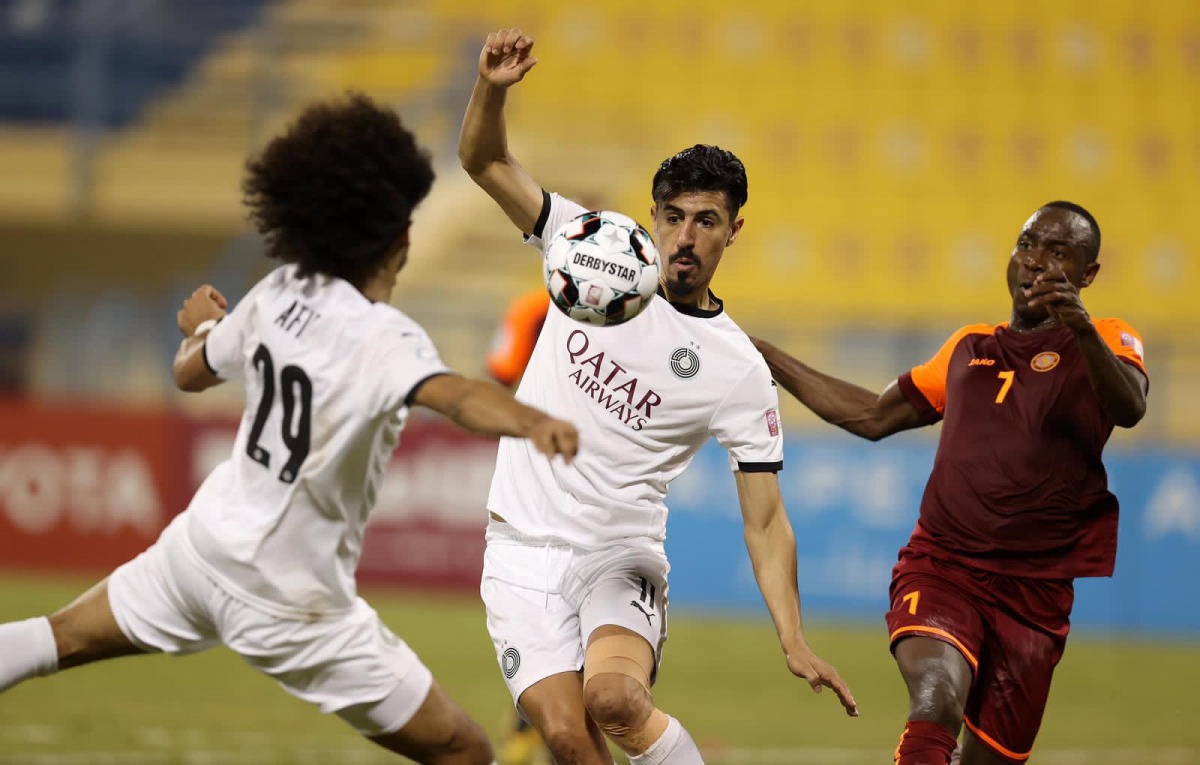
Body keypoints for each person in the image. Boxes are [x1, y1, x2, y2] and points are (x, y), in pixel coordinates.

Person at [0, 93, 581, 765]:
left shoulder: (280, 291)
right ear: (401, 241)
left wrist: (204, 327)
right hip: (290, 597)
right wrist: (530, 419)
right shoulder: (383, 335)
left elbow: (190, 372)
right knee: (463, 749)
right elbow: (452, 395)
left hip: (199, 552)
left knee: (56, 637)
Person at [459, 27, 858, 765]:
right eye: (672, 216)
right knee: (568, 740)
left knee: (612, 700)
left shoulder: (736, 366)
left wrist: (793, 636)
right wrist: (491, 88)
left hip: (619, 552)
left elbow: (766, 522)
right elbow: (484, 160)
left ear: (734, 230)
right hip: (518, 542)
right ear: (651, 217)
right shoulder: (587, 247)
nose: (684, 236)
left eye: (705, 221)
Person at [751, 201, 1148, 765]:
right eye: (1028, 244)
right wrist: (769, 357)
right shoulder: (968, 348)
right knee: (936, 698)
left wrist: (1080, 326)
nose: (1036, 262)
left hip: (1035, 594)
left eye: (1058, 253)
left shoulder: (1107, 338)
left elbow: (1129, 408)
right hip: (944, 567)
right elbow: (870, 416)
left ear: (1089, 275)